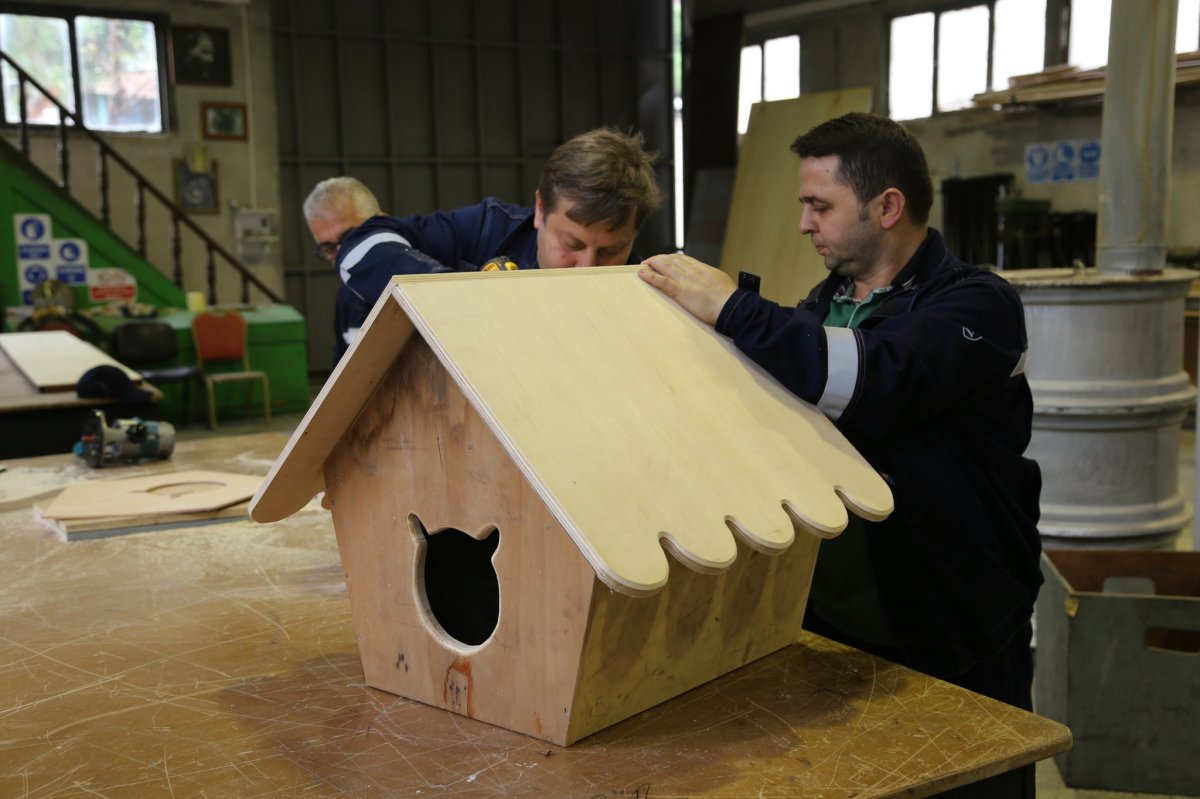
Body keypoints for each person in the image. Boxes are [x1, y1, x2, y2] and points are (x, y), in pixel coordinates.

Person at [640, 112, 1041, 797]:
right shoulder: (823, 304)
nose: (803, 223)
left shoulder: (977, 305)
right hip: (834, 624)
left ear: (888, 206)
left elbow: (873, 379)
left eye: (819, 205)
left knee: (969, 778)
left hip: (952, 624)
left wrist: (734, 308)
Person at [334, 127, 662, 305]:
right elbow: (360, 246)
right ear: (539, 210)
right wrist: (456, 298)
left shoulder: (650, 295)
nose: (587, 269)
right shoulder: (488, 229)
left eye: (609, 252)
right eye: (571, 243)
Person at [303, 177, 429, 364]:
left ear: (383, 221)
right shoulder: (347, 297)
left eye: (351, 238)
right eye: (329, 248)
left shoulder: (432, 277)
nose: (343, 255)